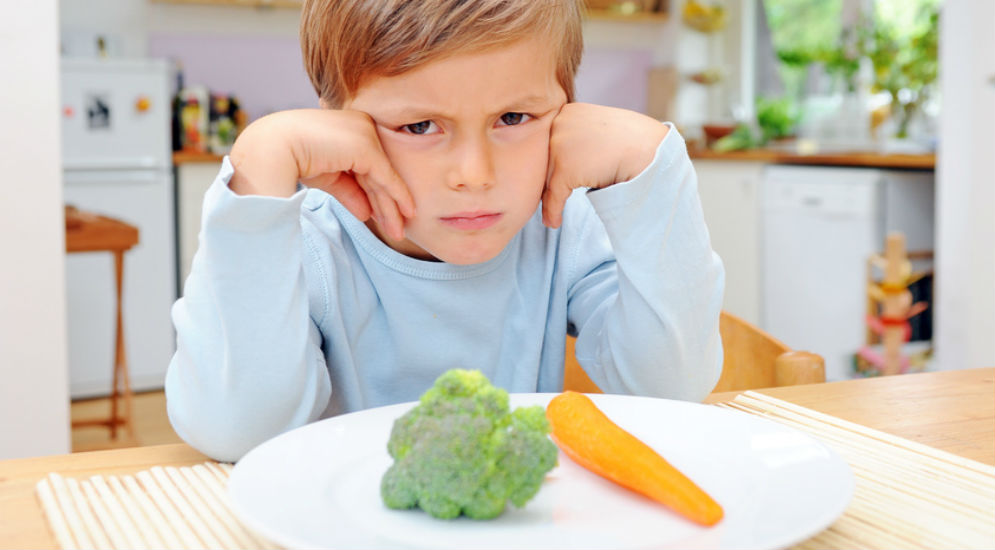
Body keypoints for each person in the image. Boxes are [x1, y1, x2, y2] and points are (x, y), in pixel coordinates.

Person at [166, 0, 725, 462]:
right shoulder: (308, 243)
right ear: (335, 125)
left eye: (513, 119)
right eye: (419, 126)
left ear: (568, 113)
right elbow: (236, 432)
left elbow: (669, 391)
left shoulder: (565, 229)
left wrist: (655, 168)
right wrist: (258, 170)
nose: (474, 176)